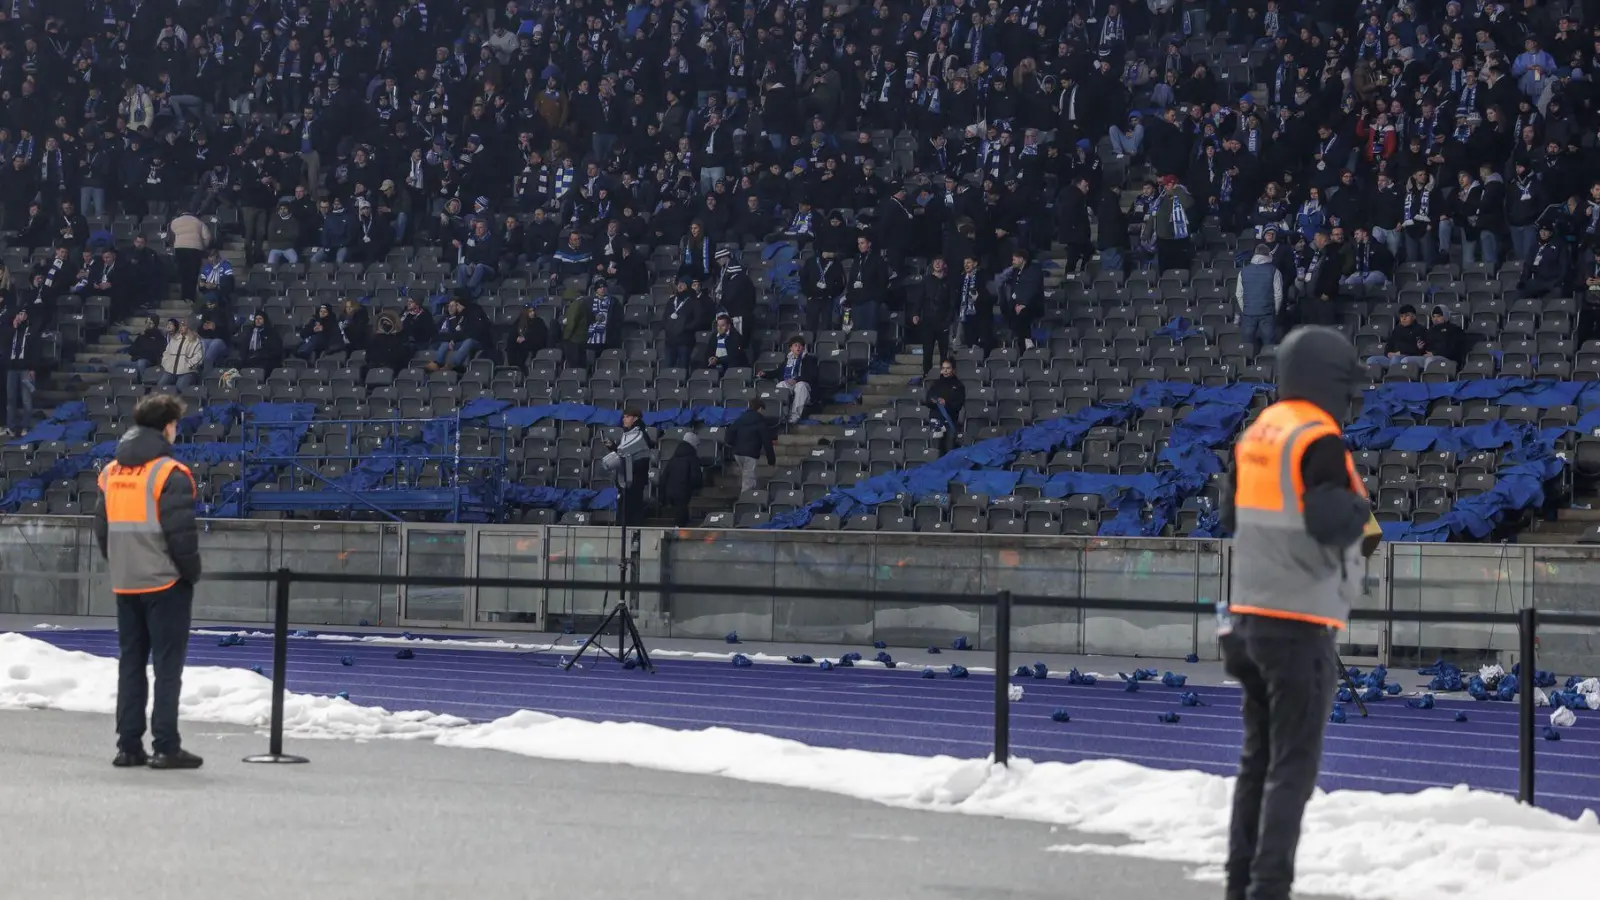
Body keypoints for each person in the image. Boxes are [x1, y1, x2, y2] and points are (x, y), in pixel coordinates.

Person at [1219, 326, 1376, 900]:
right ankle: (1268, 889)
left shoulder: (1258, 433)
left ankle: (1240, 885)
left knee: (1257, 762)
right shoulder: (1319, 439)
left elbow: (1230, 516)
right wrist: (1362, 506)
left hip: (1248, 620)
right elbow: (1331, 521)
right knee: (1292, 769)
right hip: (1299, 625)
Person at [92, 392, 203, 770]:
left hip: (126, 582)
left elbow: (102, 530)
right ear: (167, 426)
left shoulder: (110, 472)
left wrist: (121, 565)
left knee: (130, 664)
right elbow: (180, 535)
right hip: (164, 583)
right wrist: (190, 574)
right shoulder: (170, 473)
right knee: (168, 668)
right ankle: (166, 746)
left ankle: (128, 747)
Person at [601, 409, 655, 527]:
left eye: (627, 417)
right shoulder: (628, 434)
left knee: (632, 510)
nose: (623, 419)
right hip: (627, 478)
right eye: (623, 417)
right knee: (626, 508)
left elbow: (640, 458)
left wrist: (626, 463)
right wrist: (613, 448)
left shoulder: (639, 435)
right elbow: (624, 455)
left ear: (635, 418)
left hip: (634, 479)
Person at [726, 397, 775, 493]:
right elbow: (767, 442)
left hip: (738, 453)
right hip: (751, 454)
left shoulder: (740, 419)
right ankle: (745, 500)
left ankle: (755, 494)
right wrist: (771, 460)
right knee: (748, 480)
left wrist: (733, 445)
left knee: (748, 475)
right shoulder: (761, 422)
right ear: (760, 409)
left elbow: (729, 435)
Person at [658, 432, 704, 527]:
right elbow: (695, 477)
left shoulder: (673, 458)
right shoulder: (692, 458)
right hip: (683, 491)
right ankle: (678, 532)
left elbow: (664, 477)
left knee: (680, 512)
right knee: (681, 514)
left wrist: (662, 495)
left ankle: (680, 528)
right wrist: (698, 486)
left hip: (670, 491)